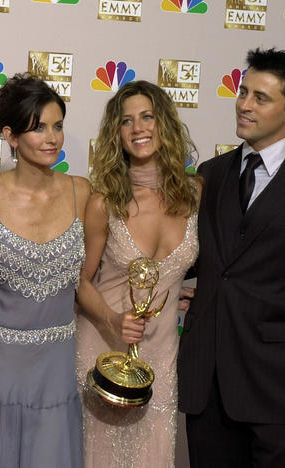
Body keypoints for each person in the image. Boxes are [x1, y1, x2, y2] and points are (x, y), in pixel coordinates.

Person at [178, 48, 285, 467]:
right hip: (208, 384)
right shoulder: (210, 175)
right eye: (243, 91)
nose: (244, 105)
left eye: (261, 98)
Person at [0, 74, 90, 468]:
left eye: (58, 126)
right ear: (11, 136)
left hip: (56, 365)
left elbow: (98, 274)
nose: (52, 138)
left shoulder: (82, 192)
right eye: (38, 127)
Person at [75, 80, 200, 467]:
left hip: (161, 356)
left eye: (147, 116)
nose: (138, 128)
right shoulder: (104, 202)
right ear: (117, 134)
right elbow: (81, 281)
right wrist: (113, 320)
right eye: (126, 121)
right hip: (102, 347)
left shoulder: (196, 194)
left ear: (164, 123)